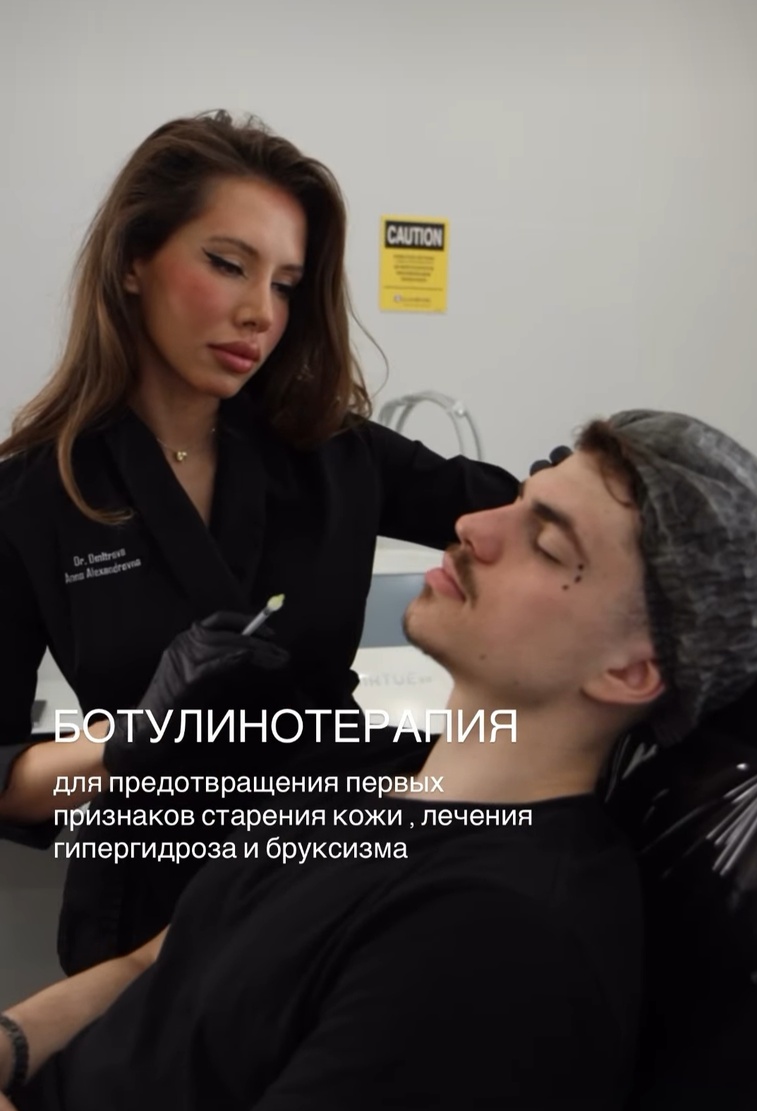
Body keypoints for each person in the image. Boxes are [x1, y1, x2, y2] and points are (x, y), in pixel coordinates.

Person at [0, 407, 757, 1111]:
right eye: (518, 499)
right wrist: (11, 1043)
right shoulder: (366, 777)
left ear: (630, 673)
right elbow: (156, 962)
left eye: (546, 542)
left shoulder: (493, 938)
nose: (471, 525)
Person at [0, 109, 518, 970]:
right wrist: (130, 739)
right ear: (132, 261)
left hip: (334, 883)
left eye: (285, 284)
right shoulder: (32, 496)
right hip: (152, 911)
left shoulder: (335, 453)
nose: (260, 314)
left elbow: (519, 517)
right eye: (227, 264)